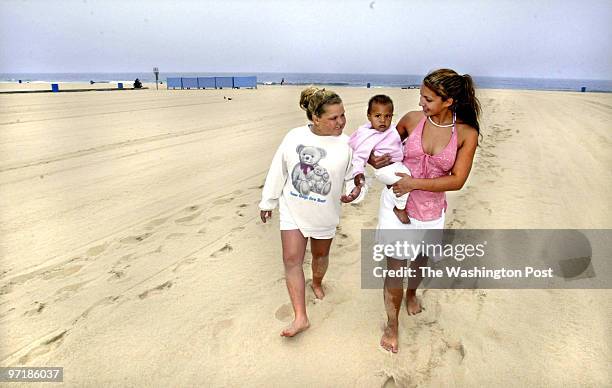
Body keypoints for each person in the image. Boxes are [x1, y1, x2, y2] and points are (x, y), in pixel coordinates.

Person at [370, 69, 481, 353]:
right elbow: (378, 147)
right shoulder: (411, 120)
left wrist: (413, 183)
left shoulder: (466, 133)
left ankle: (412, 293)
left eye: (428, 99)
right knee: (394, 267)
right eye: (421, 95)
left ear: (449, 101)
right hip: (396, 208)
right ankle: (392, 325)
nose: (421, 103)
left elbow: (458, 180)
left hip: (431, 211)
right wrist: (374, 157)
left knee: (419, 261)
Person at [259, 87, 363, 337]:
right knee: (292, 260)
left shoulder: (348, 144)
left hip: (325, 213)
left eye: (342, 116)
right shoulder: (294, 136)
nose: (341, 122)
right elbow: (279, 169)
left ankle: (316, 281)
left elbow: (354, 177)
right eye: (333, 118)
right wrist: (268, 202)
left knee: (319, 257)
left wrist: (354, 191)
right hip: (292, 208)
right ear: (315, 118)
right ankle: (300, 317)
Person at [348, 94, 412, 224]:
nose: (383, 120)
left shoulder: (393, 129)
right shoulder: (368, 136)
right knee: (406, 181)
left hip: (396, 165)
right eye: (378, 116)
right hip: (384, 169)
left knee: (409, 176)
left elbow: (399, 142)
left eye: (387, 116)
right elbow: (359, 157)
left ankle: (393, 192)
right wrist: (358, 173)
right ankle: (400, 208)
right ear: (369, 116)